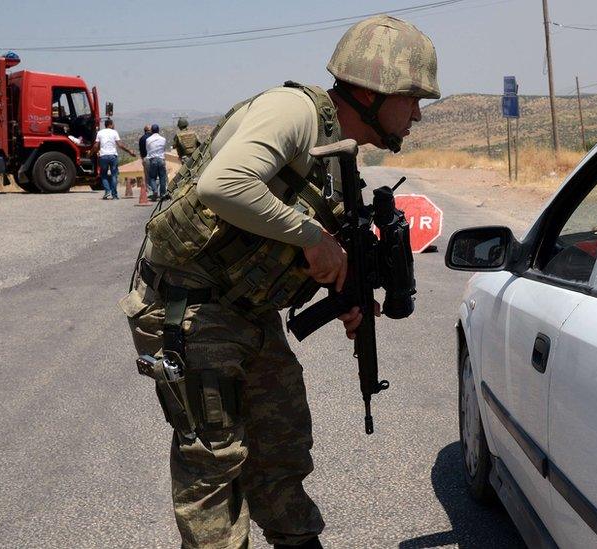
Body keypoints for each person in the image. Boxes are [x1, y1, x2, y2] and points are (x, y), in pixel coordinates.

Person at [118, 14, 438, 549]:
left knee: (282, 450)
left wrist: (341, 291)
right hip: (190, 308)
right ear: (372, 90)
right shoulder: (294, 112)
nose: (418, 114)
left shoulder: (339, 157)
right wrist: (314, 236)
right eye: (412, 98)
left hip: (249, 313)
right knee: (214, 466)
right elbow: (225, 185)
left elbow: (284, 246)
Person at [94, 118, 135, 200]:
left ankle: (107, 192)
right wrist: (129, 151)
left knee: (104, 175)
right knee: (114, 175)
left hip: (103, 156)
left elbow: (96, 146)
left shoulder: (100, 133)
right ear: (111, 124)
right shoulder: (114, 132)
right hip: (113, 156)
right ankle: (114, 195)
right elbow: (120, 145)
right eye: (113, 124)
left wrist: (90, 154)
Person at [144, 124, 168, 201]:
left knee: (152, 177)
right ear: (158, 130)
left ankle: (154, 191)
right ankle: (162, 194)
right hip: (161, 160)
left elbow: (148, 149)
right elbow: (163, 149)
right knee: (162, 177)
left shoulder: (148, 140)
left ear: (152, 131)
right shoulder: (163, 139)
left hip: (153, 160)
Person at [138, 125, 152, 190]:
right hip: (153, 158)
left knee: (147, 175)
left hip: (145, 158)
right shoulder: (153, 137)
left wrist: (142, 158)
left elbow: (141, 150)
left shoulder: (142, 138)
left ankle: (149, 190)